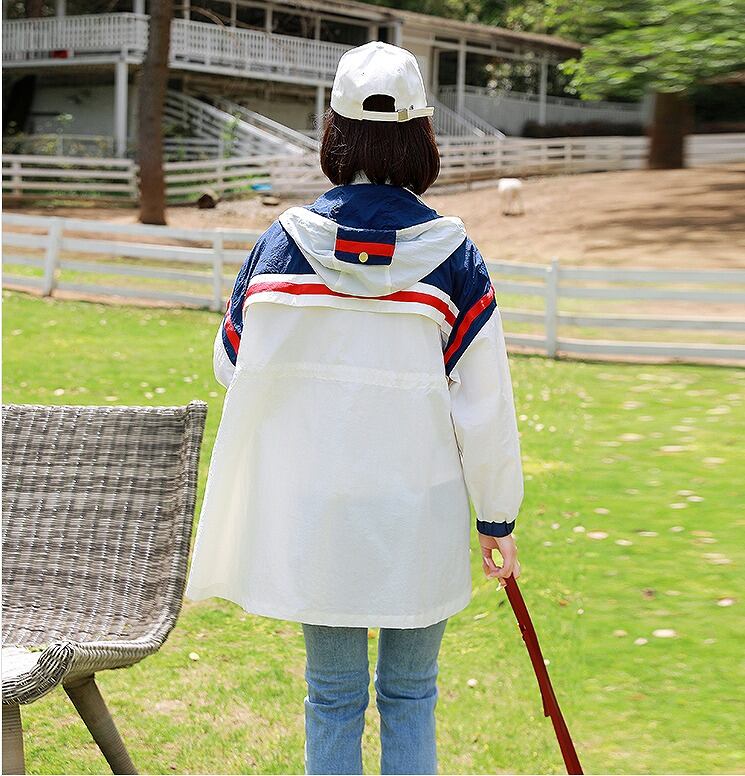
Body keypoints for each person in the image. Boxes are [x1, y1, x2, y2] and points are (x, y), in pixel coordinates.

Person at [184, 41, 524, 775]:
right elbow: (485, 407)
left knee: (332, 696)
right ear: (422, 134)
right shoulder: (452, 257)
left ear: (334, 131)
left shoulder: (280, 246)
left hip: (321, 510)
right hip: (418, 509)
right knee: (411, 693)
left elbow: (231, 364)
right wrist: (496, 518)